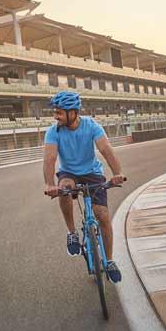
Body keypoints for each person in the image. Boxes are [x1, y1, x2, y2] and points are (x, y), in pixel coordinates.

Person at [43, 92, 126, 283]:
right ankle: (72, 233)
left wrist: (117, 173)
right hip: (69, 173)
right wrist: (49, 184)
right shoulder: (53, 131)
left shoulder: (91, 126)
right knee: (64, 188)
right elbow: (50, 158)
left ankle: (110, 260)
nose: (55, 116)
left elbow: (105, 150)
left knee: (102, 215)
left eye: (59, 113)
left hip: (92, 173)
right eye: (55, 112)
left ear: (73, 112)